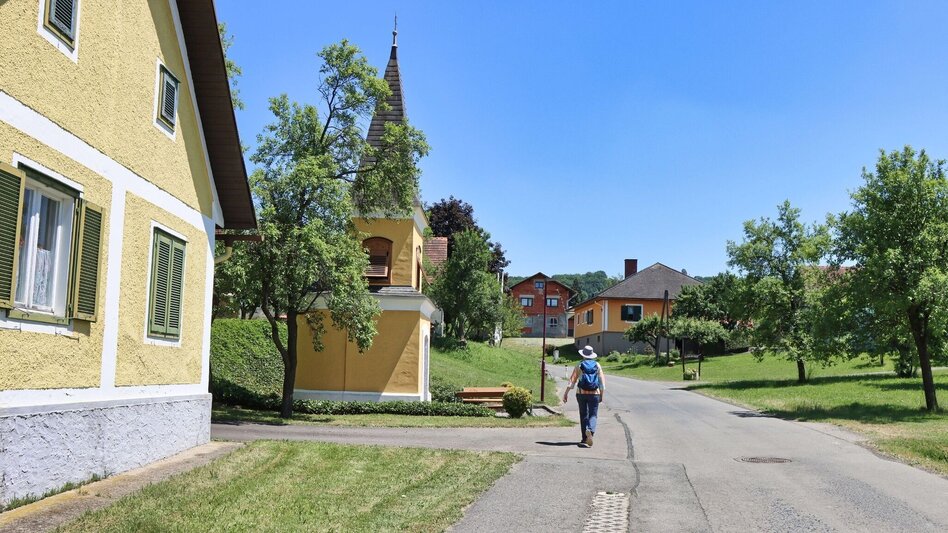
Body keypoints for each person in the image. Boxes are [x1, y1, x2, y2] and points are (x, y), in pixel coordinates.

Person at [562, 345, 605, 447]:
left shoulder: (579, 365)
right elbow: (602, 384)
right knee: (593, 415)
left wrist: (566, 393)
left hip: (581, 393)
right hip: (595, 393)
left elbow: (572, 381)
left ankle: (584, 438)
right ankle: (590, 430)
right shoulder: (597, 365)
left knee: (583, 415)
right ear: (592, 355)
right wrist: (601, 396)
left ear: (583, 355)